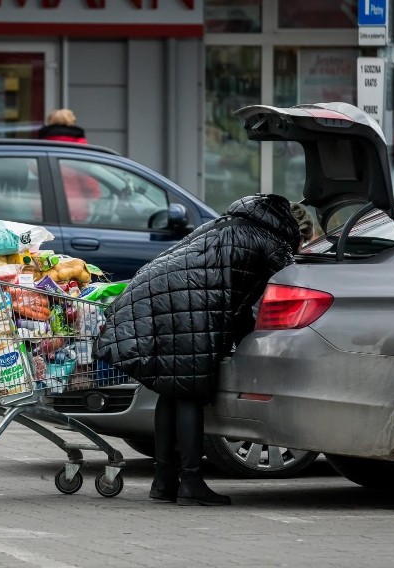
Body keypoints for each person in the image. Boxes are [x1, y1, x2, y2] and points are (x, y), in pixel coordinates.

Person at [95, 193, 301, 506]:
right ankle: (190, 482)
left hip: (151, 293)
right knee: (189, 391)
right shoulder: (270, 240)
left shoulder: (222, 226)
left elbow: (233, 293)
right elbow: (296, 280)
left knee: (171, 390)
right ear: (286, 222)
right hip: (186, 307)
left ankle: (164, 480)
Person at [38, 108, 100, 222]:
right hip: (73, 206)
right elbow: (87, 176)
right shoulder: (78, 145)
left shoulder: (39, 145)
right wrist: (95, 196)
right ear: (71, 122)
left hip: (42, 204)